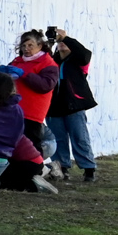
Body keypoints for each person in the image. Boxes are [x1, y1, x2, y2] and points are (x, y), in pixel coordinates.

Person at [40, 27, 99, 182]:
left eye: (64, 43)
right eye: (60, 43)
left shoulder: (78, 60)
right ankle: (61, 167)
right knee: (58, 138)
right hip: (53, 105)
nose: (61, 44)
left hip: (74, 104)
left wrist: (66, 38)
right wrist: (49, 42)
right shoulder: (52, 60)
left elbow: (85, 54)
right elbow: (40, 59)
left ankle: (88, 168)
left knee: (79, 136)